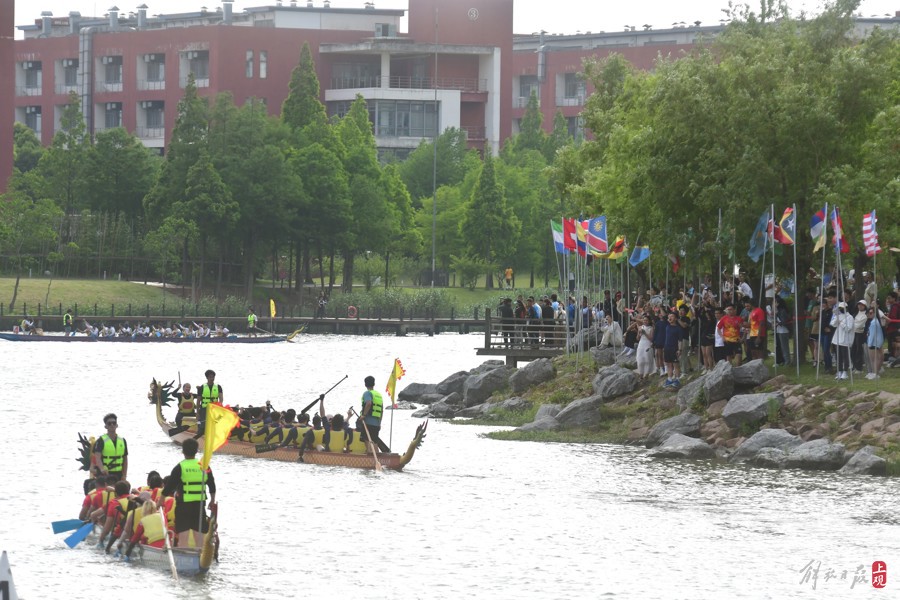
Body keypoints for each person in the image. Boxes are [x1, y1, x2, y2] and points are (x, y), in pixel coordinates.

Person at [161, 438, 215, 548]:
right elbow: (212, 485)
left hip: (183, 505)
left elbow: (169, 487)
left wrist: (160, 501)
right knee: (199, 539)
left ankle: (183, 554)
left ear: (183, 451)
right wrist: (212, 501)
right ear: (196, 451)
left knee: (183, 539)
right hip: (199, 505)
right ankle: (200, 555)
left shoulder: (180, 467)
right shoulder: (204, 466)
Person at [92, 413, 128, 483]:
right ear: (105, 426)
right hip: (105, 474)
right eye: (109, 423)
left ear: (117, 425)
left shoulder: (122, 440)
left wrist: (124, 475)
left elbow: (125, 459)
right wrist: (102, 469)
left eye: (114, 423)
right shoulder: (101, 440)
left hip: (119, 474)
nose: (112, 425)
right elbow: (97, 457)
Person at [360, 375, 390, 453]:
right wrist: (379, 423)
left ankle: (370, 457)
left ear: (365, 384)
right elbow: (381, 411)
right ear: (374, 384)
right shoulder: (378, 395)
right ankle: (377, 456)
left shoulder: (367, 393)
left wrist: (363, 415)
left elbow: (368, 403)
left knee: (367, 440)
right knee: (374, 441)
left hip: (368, 422)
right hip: (376, 423)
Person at [195, 370, 223, 439]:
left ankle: (214, 438)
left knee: (215, 424)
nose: (212, 378)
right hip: (204, 409)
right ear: (207, 378)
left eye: (213, 377)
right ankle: (200, 437)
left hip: (214, 409)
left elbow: (221, 399)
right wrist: (197, 413)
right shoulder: (202, 387)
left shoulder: (218, 387)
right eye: (210, 377)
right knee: (202, 425)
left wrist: (220, 409)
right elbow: (198, 401)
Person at [830, 301, 854, 380]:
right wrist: (836, 316)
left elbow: (848, 328)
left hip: (845, 340)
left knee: (845, 356)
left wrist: (841, 323)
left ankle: (845, 371)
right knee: (838, 356)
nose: (840, 310)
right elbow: (832, 324)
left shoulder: (850, 317)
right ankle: (839, 371)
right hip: (837, 339)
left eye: (841, 308)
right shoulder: (839, 316)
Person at [663, 312, 683, 388]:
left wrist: (679, 349)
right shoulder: (667, 326)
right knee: (668, 364)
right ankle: (669, 379)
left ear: (676, 318)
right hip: (667, 348)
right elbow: (664, 317)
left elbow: (680, 340)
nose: (670, 318)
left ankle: (677, 380)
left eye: (672, 316)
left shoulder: (678, 328)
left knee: (676, 365)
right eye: (669, 316)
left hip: (674, 348)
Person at [866, 305, 885, 379]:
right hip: (878, 342)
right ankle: (876, 372)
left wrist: (869, 344)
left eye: (871, 313)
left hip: (873, 343)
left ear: (874, 313)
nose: (869, 314)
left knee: (873, 360)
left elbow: (872, 334)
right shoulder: (876, 321)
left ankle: (875, 373)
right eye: (868, 313)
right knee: (878, 358)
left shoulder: (874, 322)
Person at [635, 314, 655, 379]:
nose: (645, 321)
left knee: (647, 359)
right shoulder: (640, 327)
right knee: (640, 358)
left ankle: (646, 374)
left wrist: (645, 333)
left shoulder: (651, 328)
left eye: (646, 320)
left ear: (649, 321)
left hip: (648, 343)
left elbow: (651, 338)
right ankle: (641, 373)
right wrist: (639, 333)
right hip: (641, 343)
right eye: (644, 320)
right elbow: (637, 338)